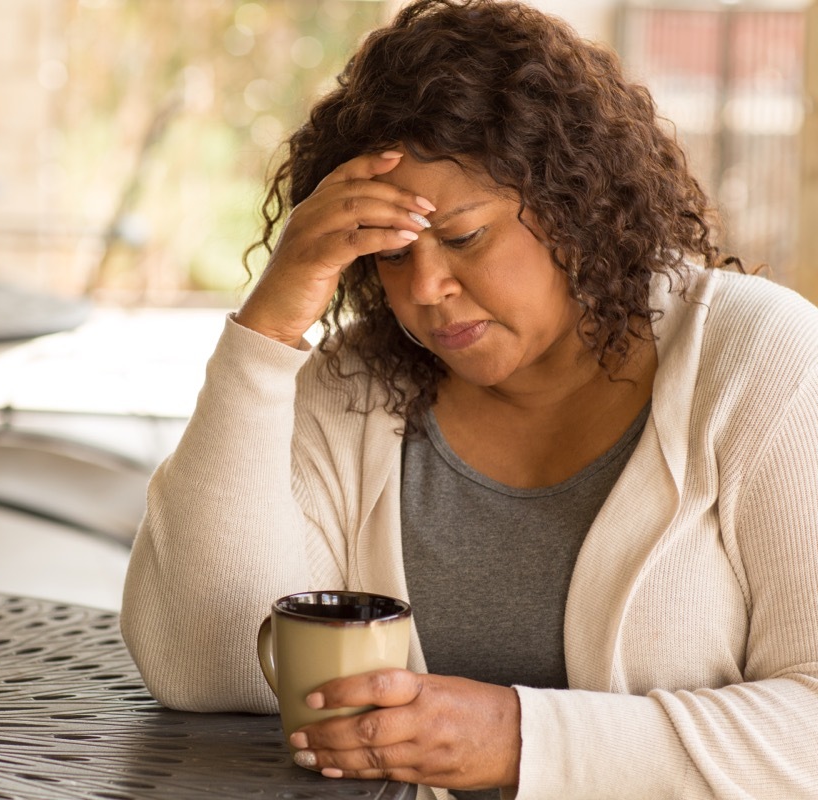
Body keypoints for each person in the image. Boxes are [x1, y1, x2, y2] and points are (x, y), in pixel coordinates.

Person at [120, 0, 818, 797]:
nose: (425, 288)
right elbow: (206, 667)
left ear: (573, 204)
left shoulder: (759, 361)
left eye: (462, 237)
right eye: (389, 253)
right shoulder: (358, 389)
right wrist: (268, 328)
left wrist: (520, 739)